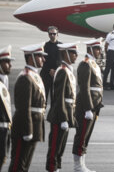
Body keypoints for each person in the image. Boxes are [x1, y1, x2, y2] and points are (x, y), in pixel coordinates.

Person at [8, 43, 47, 172]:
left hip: (34, 125)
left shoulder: (33, 75)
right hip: (24, 128)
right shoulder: (25, 78)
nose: (43, 59)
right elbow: (23, 108)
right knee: (18, 164)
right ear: (31, 57)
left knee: (25, 165)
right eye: (40, 56)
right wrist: (28, 130)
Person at [46, 42, 79, 172]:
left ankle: (57, 168)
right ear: (66, 54)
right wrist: (64, 118)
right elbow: (59, 97)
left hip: (66, 114)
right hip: (59, 116)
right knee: (54, 147)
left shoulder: (67, 71)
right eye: (73, 53)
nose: (76, 55)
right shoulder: (62, 71)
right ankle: (52, 169)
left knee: (60, 147)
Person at [72, 38, 104, 172]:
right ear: (90, 49)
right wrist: (87, 108)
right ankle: (77, 165)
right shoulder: (85, 64)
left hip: (94, 105)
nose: (99, 51)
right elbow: (84, 88)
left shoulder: (93, 64)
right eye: (97, 48)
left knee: (86, 136)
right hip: (87, 106)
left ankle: (82, 164)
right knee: (81, 135)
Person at [0, 46, 14, 171]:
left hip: (5, 127)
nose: (10, 65)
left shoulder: (5, 79)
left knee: (2, 157)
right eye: (6, 62)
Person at [40, 26, 62, 106]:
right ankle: (42, 115)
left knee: (55, 98)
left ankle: (53, 117)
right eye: (50, 34)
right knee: (44, 97)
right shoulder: (45, 46)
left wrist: (56, 71)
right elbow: (42, 61)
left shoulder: (62, 46)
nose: (52, 35)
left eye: (54, 34)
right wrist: (50, 70)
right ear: (48, 35)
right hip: (46, 74)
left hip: (57, 75)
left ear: (57, 34)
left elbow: (62, 61)